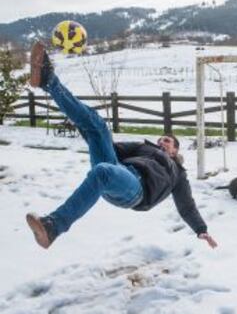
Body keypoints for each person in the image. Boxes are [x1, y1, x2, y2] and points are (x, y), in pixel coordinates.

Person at [26, 41, 217, 250]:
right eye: (161, 139)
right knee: (98, 126)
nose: (162, 141)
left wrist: (201, 229)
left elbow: (187, 206)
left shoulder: (178, 173)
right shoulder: (144, 148)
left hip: (136, 191)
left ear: (175, 150)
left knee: (102, 171)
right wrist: (86, 126)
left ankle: (53, 227)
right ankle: (48, 80)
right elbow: (107, 145)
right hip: (119, 172)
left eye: (167, 141)